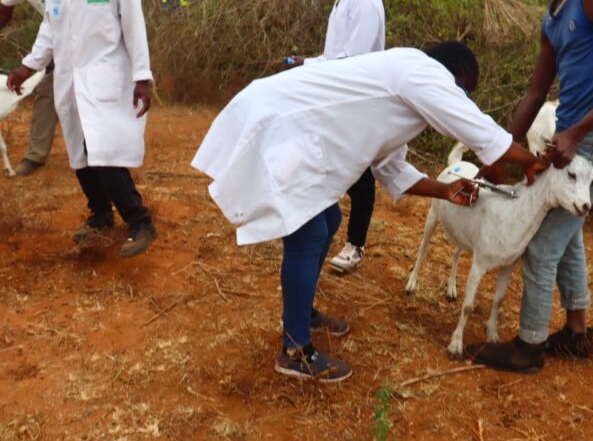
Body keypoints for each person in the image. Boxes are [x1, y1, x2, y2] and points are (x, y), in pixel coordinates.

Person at [192, 42, 547, 382]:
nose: (461, 100)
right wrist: (531, 160)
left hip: (291, 123)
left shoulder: (399, 93)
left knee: (328, 219)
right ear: (452, 73)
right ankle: (295, 350)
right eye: (463, 91)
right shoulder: (419, 70)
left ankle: (301, 315)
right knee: (310, 231)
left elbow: (391, 168)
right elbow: (477, 128)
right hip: (283, 122)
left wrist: (443, 190)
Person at [468, 0, 593, 372]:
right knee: (567, 236)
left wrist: (576, 132)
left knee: (541, 246)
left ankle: (529, 347)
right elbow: (535, 91)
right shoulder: (552, 15)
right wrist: (501, 148)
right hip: (572, 140)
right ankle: (577, 332)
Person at [6, 0, 157, 257]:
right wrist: (26, 66)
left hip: (106, 81)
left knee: (101, 153)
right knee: (80, 155)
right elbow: (50, 28)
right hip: (70, 83)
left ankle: (140, 222)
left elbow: (135, 31)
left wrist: (142, 78)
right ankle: (100, 216)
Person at [288, 0, 384, 274]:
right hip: (338, 98)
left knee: (360, 174)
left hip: (355, 100)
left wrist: (311, 67)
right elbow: (336, 56)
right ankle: (319, 227)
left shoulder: (365, 1)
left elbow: (351, 63)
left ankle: (355, 245)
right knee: (345, 168)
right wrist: (309, 62)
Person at [0, 0, 60, 176]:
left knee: (86, 96)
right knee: (46, 93)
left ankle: (97, 156)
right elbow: (4, 14)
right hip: (53, 34)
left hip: (84, 35)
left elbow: (72, 13)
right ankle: (36, 156)